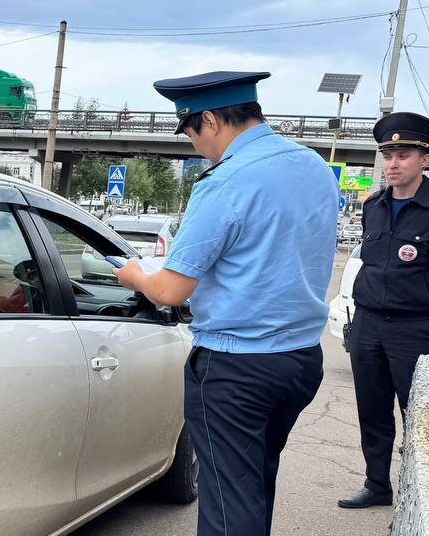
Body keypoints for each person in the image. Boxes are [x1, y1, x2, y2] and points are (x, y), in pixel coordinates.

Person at [112, 71, 337, 536]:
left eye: (192, 132)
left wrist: (135, 275)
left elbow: (172, 291)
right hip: (299, 359)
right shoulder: (312, 164)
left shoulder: (225, 181)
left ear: (210, 120)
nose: (196, 146)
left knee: (228, 503)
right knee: (254, 484)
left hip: (238, 367)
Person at [339, 112, 429, 509]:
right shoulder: (374, 206)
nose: (393, 164)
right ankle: (376, 484)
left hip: (415, 328)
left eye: (403, 155)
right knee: (372, 409)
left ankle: (424, 496)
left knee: (420, 415)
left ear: (425, 159)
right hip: (367, 325)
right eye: (388, 155)